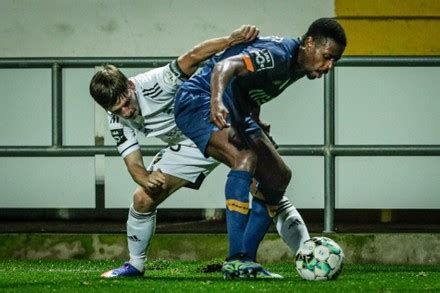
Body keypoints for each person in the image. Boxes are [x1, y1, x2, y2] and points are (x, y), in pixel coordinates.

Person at [89, 25, 309, 279]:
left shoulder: (154, 82)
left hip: (209, 122)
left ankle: (307, 252)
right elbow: (133, 164)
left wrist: (230, 40)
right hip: (186, 146)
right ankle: (134, 265)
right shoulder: (116, 119)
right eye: (118, 110)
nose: (126, 113)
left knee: (267, 184)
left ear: (130, 86)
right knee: (142, 198)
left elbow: (193, 56)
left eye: (126, 103)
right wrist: (146, 180)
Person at [174, 17, 346, 278]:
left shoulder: (300, 64)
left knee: (278, 177)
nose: (329, 65)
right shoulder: (278, 54)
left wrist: (254, 117)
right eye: (327, 56)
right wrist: (216, 100)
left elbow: (250, 85)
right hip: (199, 100)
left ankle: (247, 261)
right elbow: (225, 66)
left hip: (238, 112)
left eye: (335, 61)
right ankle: (235, 259)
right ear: (309, 43)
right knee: (244, 158)